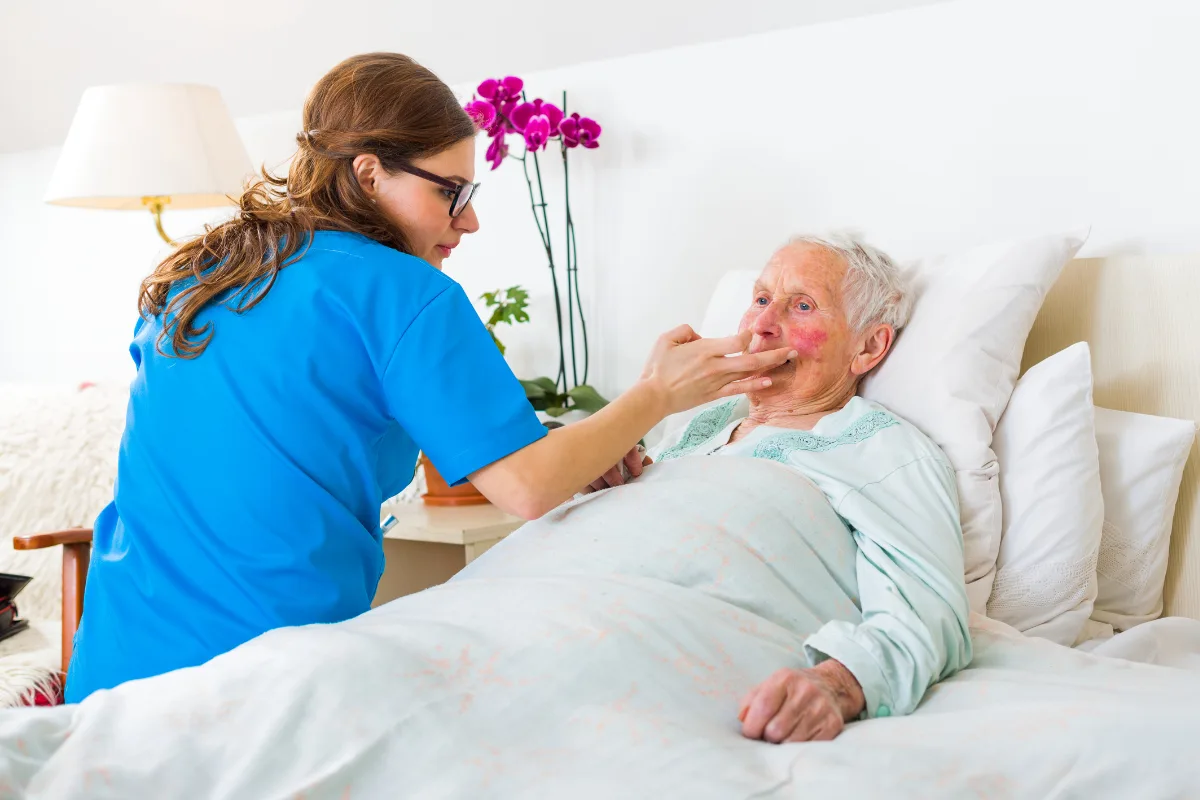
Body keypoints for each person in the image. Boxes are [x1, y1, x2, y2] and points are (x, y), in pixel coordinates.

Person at [64, 53, 792, 703]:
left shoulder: (202, 273)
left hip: (112, 670)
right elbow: (527, 489)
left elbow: (272, 424)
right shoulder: (406, 292)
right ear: (369, 172)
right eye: (452, 191)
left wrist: (570, 445)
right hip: (254, 683)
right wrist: (655, 396)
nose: (467, 222)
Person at [646, 233, 973, 742]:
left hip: (674, 647)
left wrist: (837, 684)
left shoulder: (881, 449)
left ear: (868, 346)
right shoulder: (701, 423)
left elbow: (928, 614)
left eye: (801, 306)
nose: (760, 324)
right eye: (759, 300)